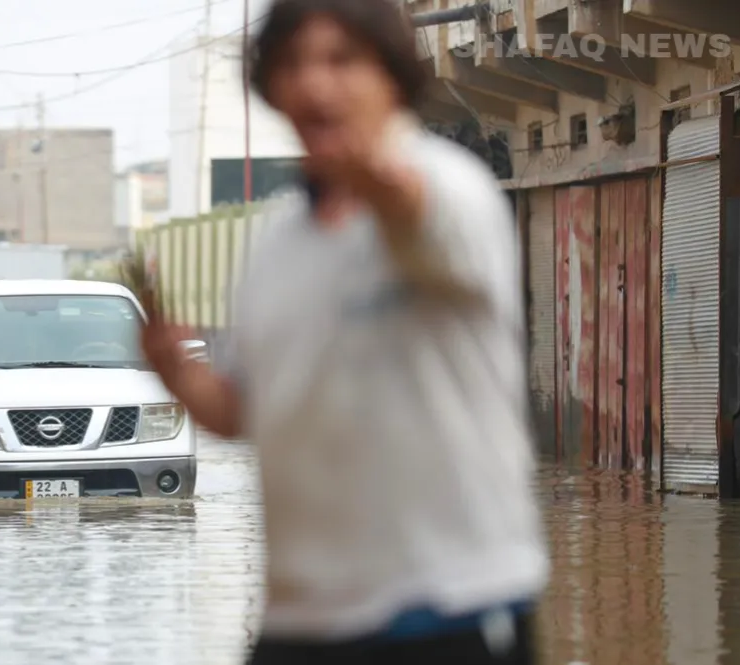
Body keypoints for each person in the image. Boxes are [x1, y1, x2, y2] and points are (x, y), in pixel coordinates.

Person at [137, 1, 548, 663]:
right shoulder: (276, 243)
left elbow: (416, 219)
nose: (315, 85)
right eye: (293, 64)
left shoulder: (454, 191)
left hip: (449, 609)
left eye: (341, 61)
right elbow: (245, 411)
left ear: (392, 75)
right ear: (271, 88)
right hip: (300, 622)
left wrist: (372, 177)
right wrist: (175, 372)